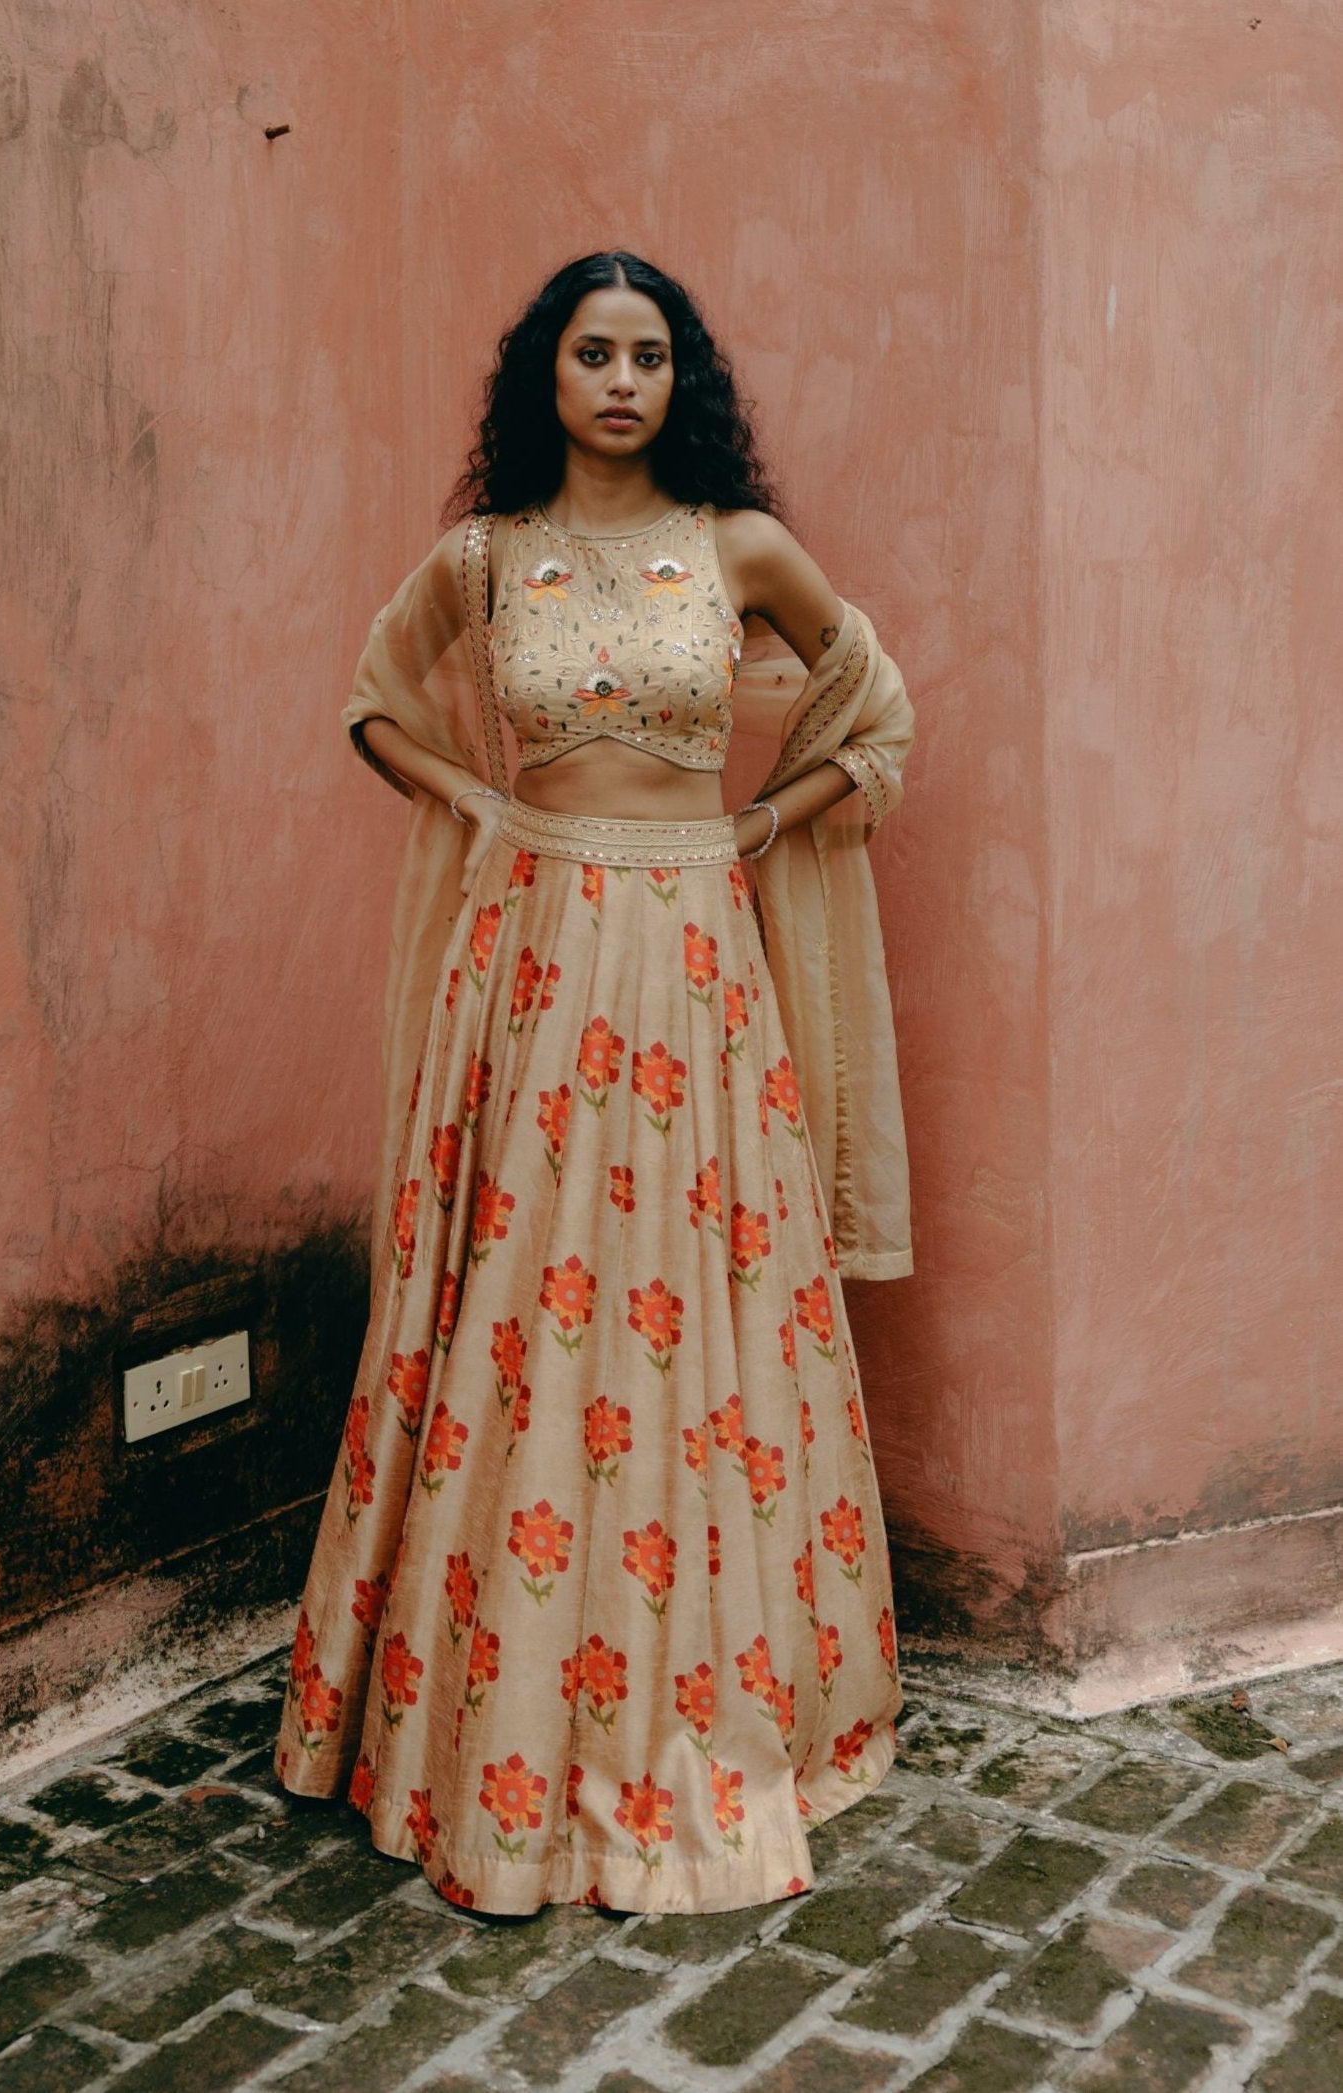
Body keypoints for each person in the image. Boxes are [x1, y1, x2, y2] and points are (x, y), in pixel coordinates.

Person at [273, 251, 916, 1916]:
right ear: (544, 377)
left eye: (647, 354)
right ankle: (505, 1723)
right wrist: (487, 812)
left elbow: (875, 705)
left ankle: (715, 1711)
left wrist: (762, 827)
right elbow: (371, 703)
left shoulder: (740, 549)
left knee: (692, 1292)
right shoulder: (485, 559)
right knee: (538, 1297)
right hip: (543, 957)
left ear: (677, 378)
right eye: (590, 352)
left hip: (700, 957)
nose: (620, 380)